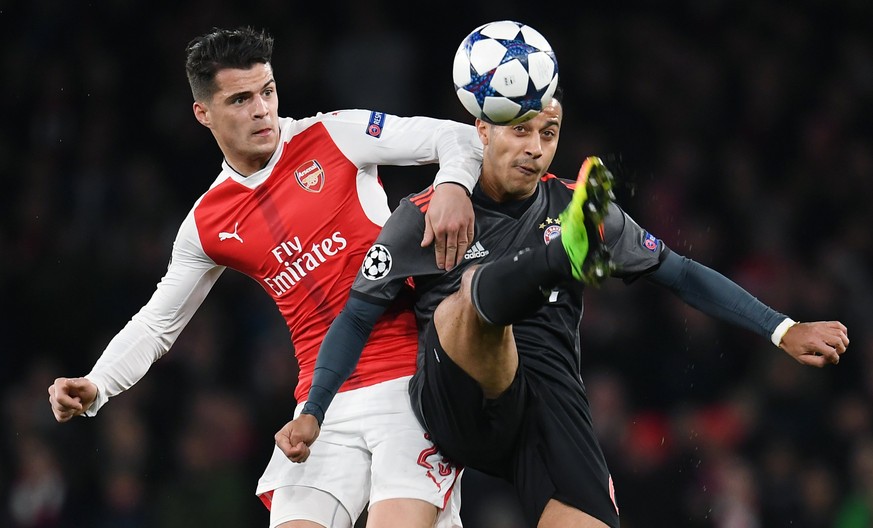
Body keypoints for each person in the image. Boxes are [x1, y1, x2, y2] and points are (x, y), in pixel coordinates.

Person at [276, 90, 850, 527]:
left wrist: (781, 328)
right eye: (520, 131)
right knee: (470, 300)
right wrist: (315, 409)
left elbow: (677, 271)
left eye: (548, 133)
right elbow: (355, 317)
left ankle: (558, 258)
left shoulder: (577, 202)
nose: (535, 147)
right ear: (480, 131)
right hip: (456, 393)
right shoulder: (425, 214)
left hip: (547, 400)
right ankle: (557, 259)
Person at [47, 26, 485, 528]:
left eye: (268, 91)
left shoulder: (334, 135)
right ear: (203, 113)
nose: (261, 110)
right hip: (320, 410)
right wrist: (97, 384)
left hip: (410, 384)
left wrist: (452, 184)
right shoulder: (208, 222)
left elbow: (454, 135)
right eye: (240, 99)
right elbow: (156, 325)